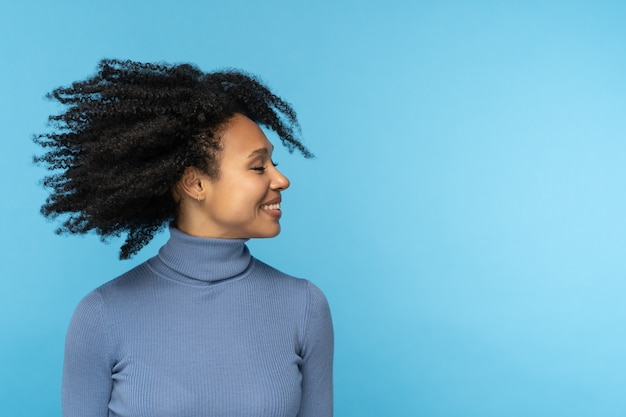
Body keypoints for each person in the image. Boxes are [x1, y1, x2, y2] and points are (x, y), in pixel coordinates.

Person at [35, 59, 333, 417]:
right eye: (258, 166)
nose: (281, 180)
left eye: (274, 163)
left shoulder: (304, 307)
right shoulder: (101, 315)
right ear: (195, 183)